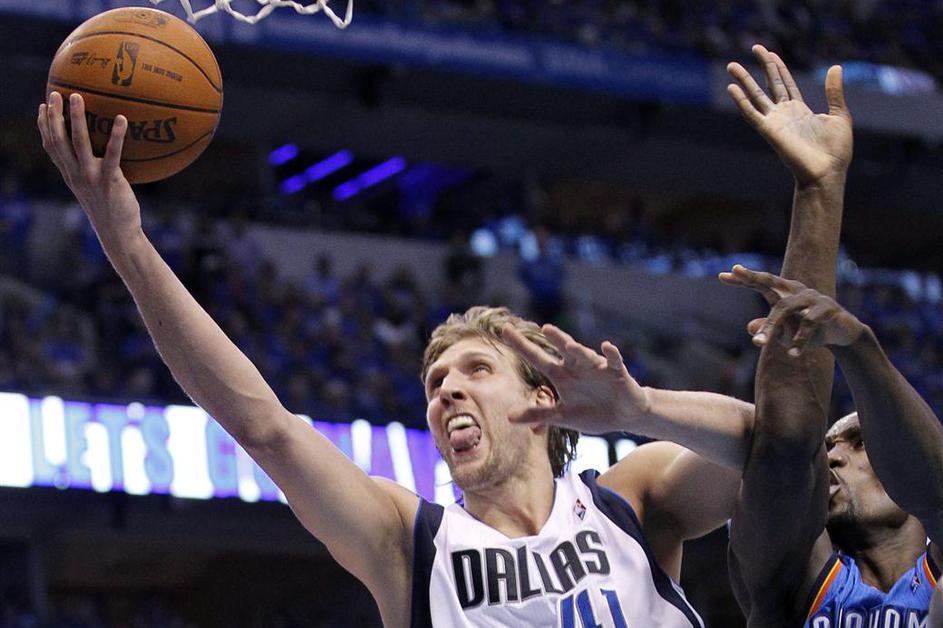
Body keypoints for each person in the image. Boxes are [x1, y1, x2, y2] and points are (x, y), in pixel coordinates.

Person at [39, 90, 756, 626]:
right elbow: (266, 428)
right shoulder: (411, 542)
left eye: (476, 370)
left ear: (543, 398)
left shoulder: (629, 500)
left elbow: (770, 443)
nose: (446, 392)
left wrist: (641, 409)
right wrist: (127, 246)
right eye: (435, 382)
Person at [723, 266, 943, 626]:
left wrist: (858, 344)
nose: (833, 458)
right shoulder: (795, 582)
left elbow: (936, 491)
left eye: (859, 443)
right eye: (827, 448)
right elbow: (784, 440)